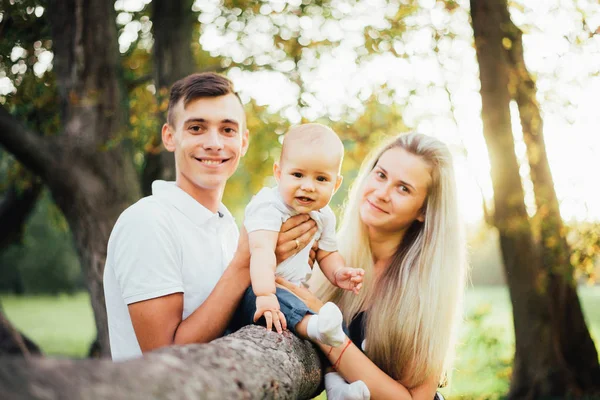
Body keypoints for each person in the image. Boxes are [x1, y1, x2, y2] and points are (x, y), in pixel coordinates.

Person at [103, 72, 317, 361]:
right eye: (196, 128)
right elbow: (164, 355)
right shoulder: (148, 222)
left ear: (243, 142)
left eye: (227, 130)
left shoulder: (229, 227)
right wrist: (245, 263)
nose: (214, 143)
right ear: (170, 136)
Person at [277, 133, 467, 400]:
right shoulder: (327, 257)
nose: (381, 193)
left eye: (403, 188)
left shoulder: (427, 287)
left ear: (423, 211)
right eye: (380, 175)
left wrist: (325, 329)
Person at [235, 123, 365, 344]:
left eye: (321, 179)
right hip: (256, 290)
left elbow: (327, 254)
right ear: (278, 173)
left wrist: (338, 272)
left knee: (334, 319)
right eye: (297, 175)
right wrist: (266, 296)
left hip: (295, 290)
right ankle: (314, 327)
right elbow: (262, 251)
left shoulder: (324, 215)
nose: (308, 186)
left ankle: (335, 374)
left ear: (336, 184)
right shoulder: (269, 206)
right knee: (287, 302)